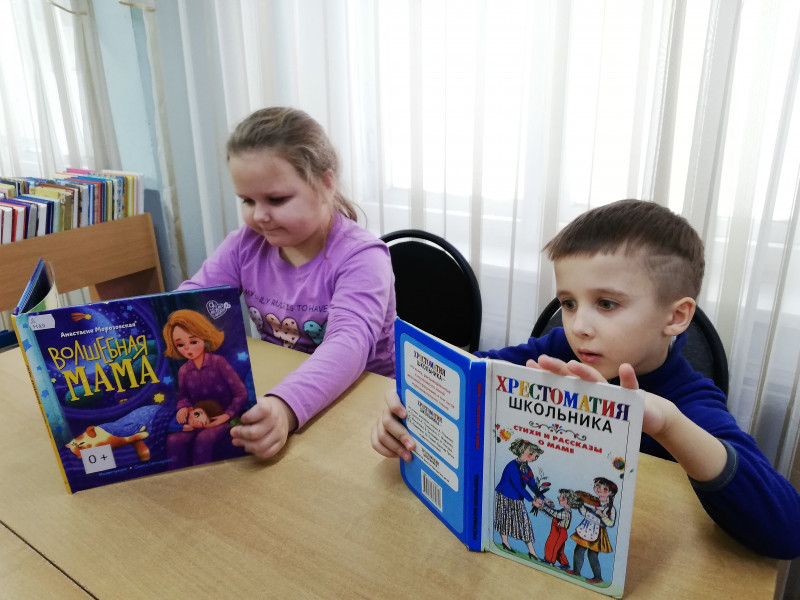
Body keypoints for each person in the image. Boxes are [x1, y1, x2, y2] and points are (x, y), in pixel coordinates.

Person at [372, 199, 800, 560]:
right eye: (569, 303)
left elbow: (787, 529)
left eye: (607, 304)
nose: (579, 326)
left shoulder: (689, 399)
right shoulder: (561, 348)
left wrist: (669, 425)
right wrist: (411, 393)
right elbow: (471, 371)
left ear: (675, 316)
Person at [180, 107, 396, 460]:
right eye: (247, 200)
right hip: (283, 392)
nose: (259, 215)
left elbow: (348, 345)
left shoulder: (362, 257)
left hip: (363, 410)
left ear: (325, 184)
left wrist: (285, 406)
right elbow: (192, 304)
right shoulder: (245, 244)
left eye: (276, 199)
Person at [163, 309, 249, 467]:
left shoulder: (218, 362)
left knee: (204, 439)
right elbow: (183, 397)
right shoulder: (183, 371)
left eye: (193, 342)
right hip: (197, 419)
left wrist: (227, 415)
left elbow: (241, 393)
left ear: (204, 336)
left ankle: (204, 477)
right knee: (174, 440)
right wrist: (183, 408)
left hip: (223, 417)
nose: (187, 348)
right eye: (180, 344)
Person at [494, 438, 544, 561]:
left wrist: (542, 497)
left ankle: (532, 552)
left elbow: (532, 484)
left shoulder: (527, 468)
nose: (534, 458)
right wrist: (532, 500)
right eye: (532, 455)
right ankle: (505, 542)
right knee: (504, 520)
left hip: (517, 498)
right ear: (523, 451)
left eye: (536, 457)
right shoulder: (512, 466)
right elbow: (519, 486)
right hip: (505, 496)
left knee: (524, 523)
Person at [533, 488, 584, 570]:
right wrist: (541, 508)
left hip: (559, 532)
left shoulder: (566, 513)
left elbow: (554, 513)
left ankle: (549, 561)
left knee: (551, 546)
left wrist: (543, 505)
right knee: (559, 550)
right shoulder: (563, 510)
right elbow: (551, 515)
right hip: (557, 531)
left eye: (561, 497)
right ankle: (565, 564)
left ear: (567, 500)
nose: (559, 498)